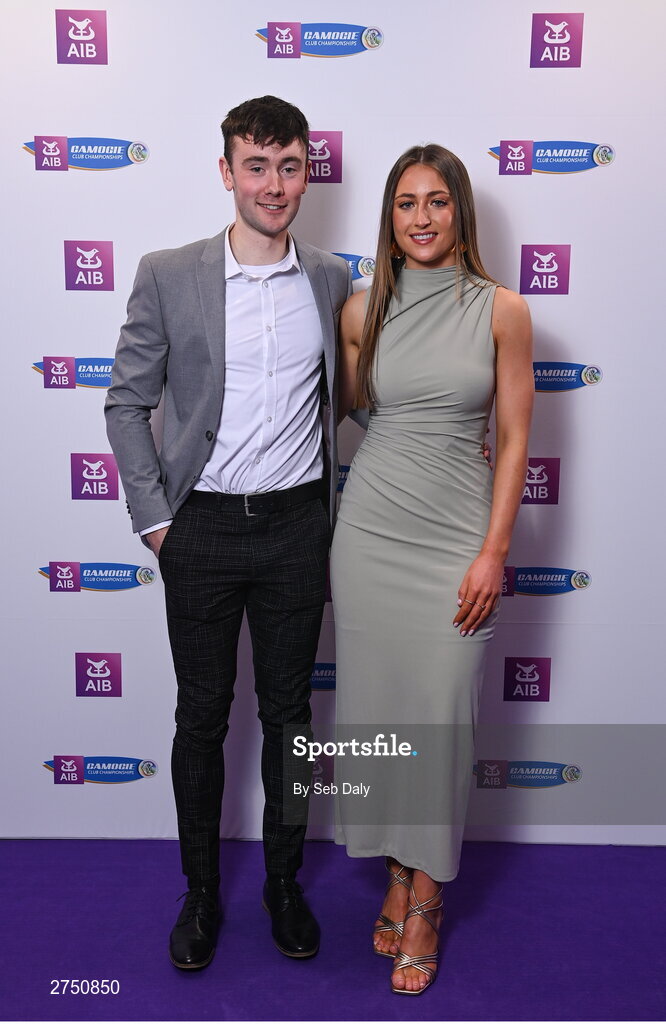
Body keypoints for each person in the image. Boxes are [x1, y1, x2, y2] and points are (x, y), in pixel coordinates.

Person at [105, 95, 351, 969]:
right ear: (226, 172)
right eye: (257, 165)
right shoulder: (169, 272)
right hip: (199, 530)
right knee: (201, 719)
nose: (274, 184)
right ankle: (201, 897)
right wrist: (158, 522)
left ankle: (284, 886)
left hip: (294, 529)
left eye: (289, 165)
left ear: (307, 172)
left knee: (290, 719)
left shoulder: (330, 278)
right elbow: (127, 402)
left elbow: (350, 402)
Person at [331, 144, 533, 994]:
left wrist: (494, 550)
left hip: (457, 541)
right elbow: (345, 413)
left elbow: (517, 440)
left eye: (438, 201)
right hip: (371, 533)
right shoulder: (358, 311)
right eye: (406, 203)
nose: (421, 217)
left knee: (442, 720)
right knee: (381, 714)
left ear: (460, 214)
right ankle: (395, 870)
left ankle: (426, 899)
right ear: (390, 216)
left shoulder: (502, 310)